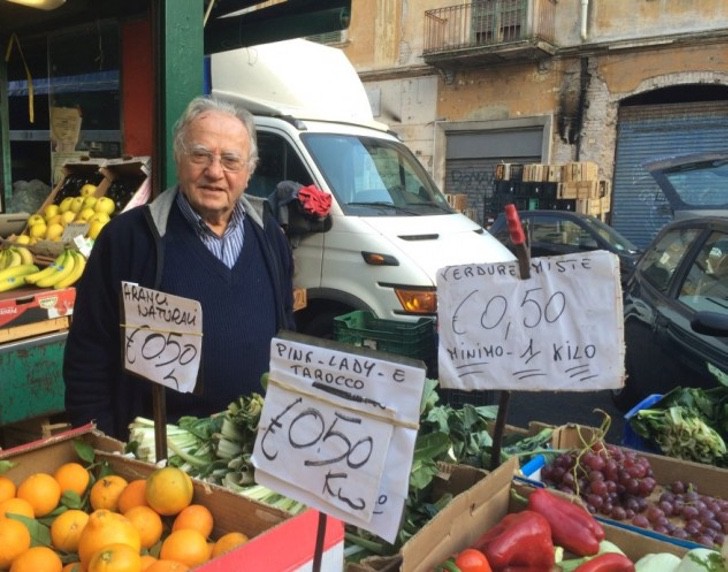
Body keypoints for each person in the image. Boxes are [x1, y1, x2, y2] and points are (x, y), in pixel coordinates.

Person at [63, 95, 296, 441]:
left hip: (254, 451)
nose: (215, 172)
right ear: (179, 158)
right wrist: (103, 449)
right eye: (200, 155)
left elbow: (286, 335)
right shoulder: (126, 241)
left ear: (249, 171)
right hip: (158, 463)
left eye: (231, 160)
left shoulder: (270, 237)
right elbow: (88, 358)